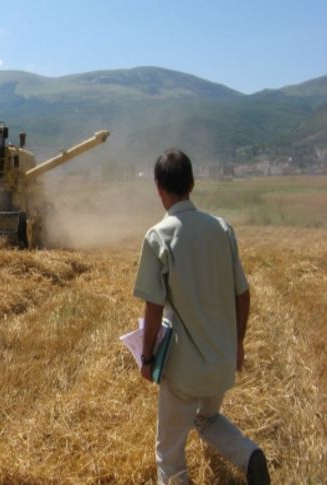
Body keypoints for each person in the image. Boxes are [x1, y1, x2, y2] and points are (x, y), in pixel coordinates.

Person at [133, 149, 270, 484]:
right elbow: (243, 293)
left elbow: (153, 307)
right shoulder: (222, 229)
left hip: (183, 370)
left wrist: (147, 357)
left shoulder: (158, 237)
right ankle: (249, 454)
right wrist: (237, 344)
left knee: (169, 452)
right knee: (207, 418)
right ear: (192, 184)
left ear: (158, 189)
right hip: (220, 360)